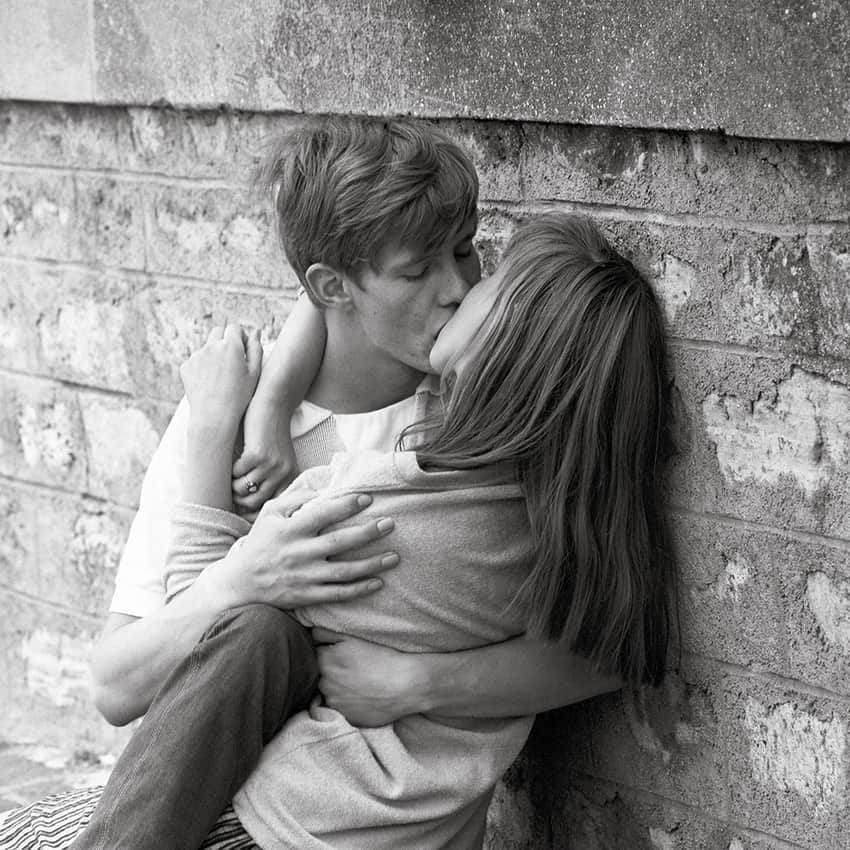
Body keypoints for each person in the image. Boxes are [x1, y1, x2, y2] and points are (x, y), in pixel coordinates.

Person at [0, 118, 672, 849]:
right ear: (331, 286)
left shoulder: (464, 417)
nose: (457, 287)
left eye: (468, 252)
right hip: (237, 792)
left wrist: (417, 681)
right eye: (419, 271)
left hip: (289, 813)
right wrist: (251, 465)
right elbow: (119, 687)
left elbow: (609, 649)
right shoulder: (240, 423)